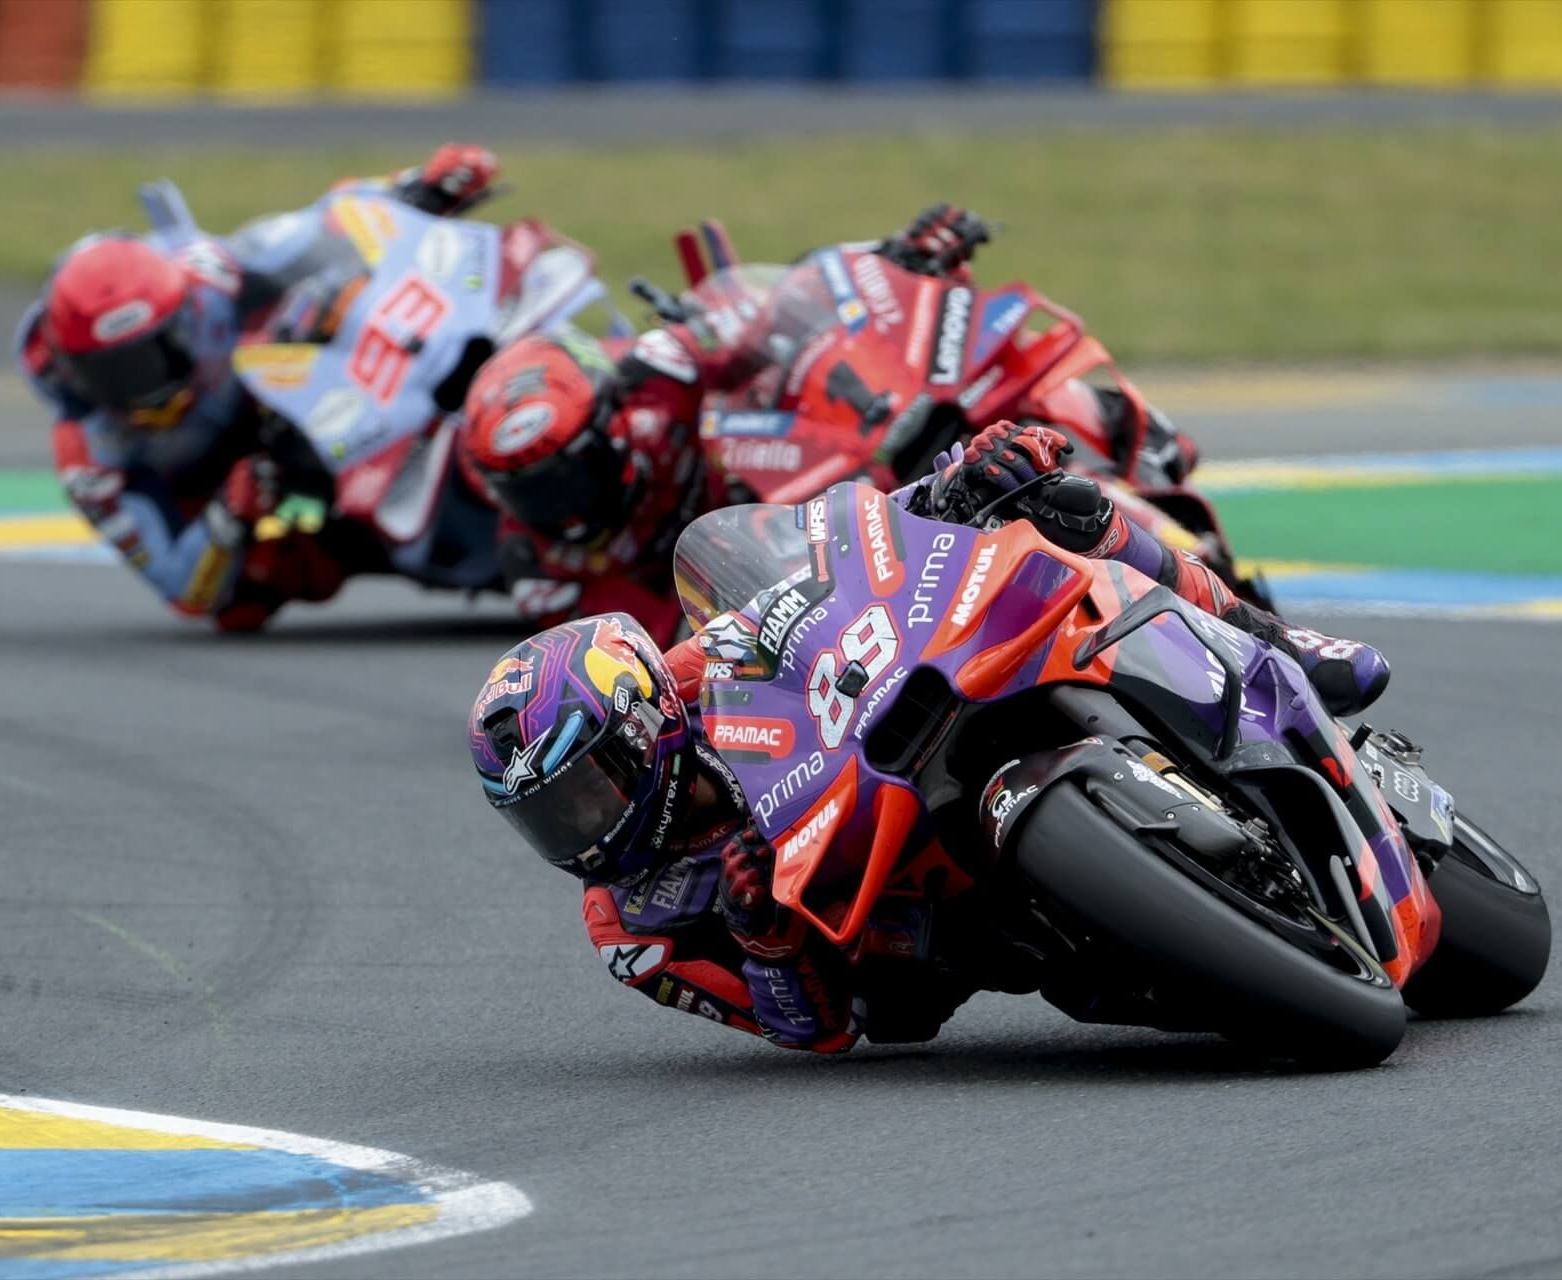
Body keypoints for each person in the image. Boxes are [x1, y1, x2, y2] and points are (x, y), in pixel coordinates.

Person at [468, 419, 1389, 1054]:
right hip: (907, 930)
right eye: (549, 818)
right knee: (1062, 999)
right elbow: (810, 1032)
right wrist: (767, 941)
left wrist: (957, 481)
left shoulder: (689, 672)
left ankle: (1275, 642)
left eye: (585, 792)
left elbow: (835, 557)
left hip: (888, 744)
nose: (582, 830)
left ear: (642, 724)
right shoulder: (630, 926)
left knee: (1059, 507)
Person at [458, 205, 1198, 641]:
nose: (559, 504)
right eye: (528, 491)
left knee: (989, 397)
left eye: (567, 474)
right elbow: (644, 649)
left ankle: (1137, 471)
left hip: (804, 472)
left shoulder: (650, 376)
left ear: (609, 425)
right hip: (767, 590)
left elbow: (765, 314)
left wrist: (895, 261)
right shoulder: (540, 567)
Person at [17, 144, 502, 631]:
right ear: (74, 370)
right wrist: (226, 517)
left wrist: (420, 187)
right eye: (117, 371)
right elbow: (179, 587)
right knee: (244, 603)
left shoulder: (207, 274)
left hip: (314, 388)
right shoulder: (90, 457)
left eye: (158, 351)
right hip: (242, 486)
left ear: (183, 315)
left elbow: (325, 220)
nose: (147, 380)